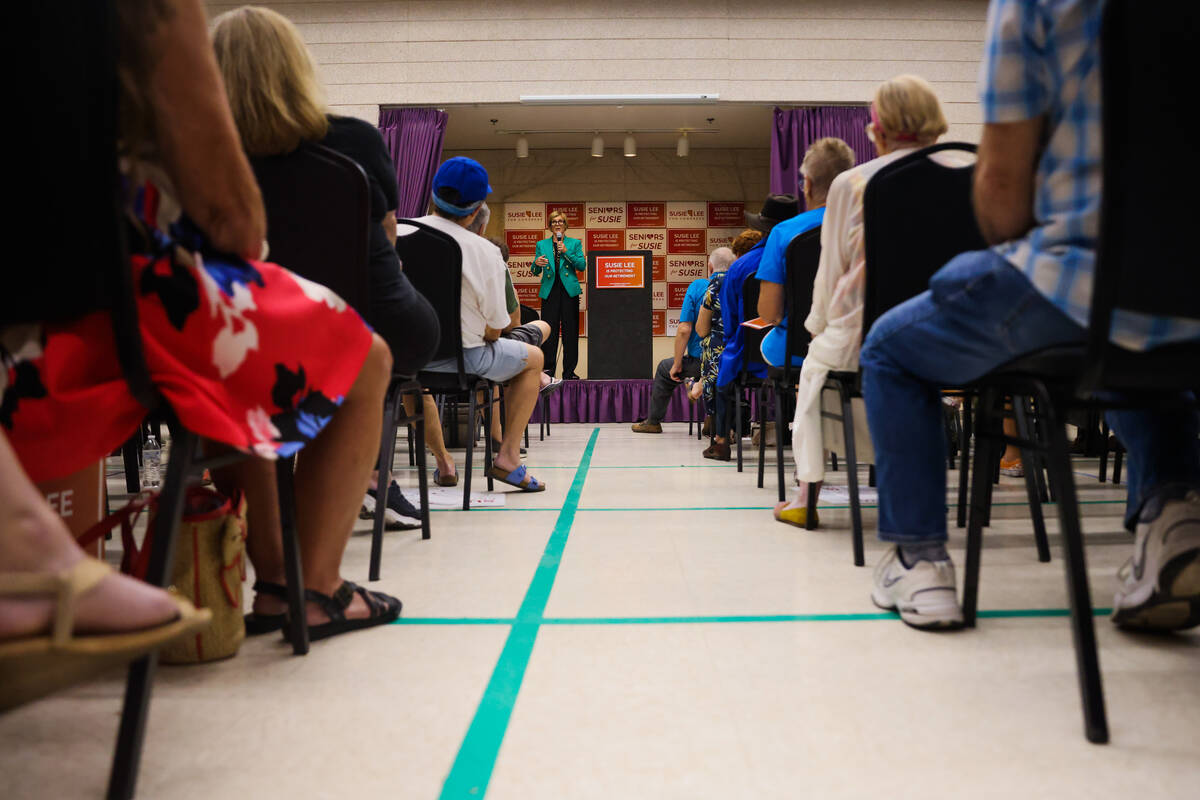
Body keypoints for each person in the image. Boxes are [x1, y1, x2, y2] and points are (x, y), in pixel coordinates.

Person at [3, 0, 401, 645]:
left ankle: (275, 578)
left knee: (240, 364)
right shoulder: (148, 11)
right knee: (365, 355)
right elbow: (233, 221)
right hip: (117, 309)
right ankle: (315, 587)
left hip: (28, 336)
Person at [859, 2, 1200, 631]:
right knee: (1141, 341)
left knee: (887, 347)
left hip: (1080, 284)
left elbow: (1005, 200)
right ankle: (1174, 514)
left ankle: (919, 560)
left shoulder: (1035, 6)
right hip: (1181, 306)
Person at [210, 5, 438, 532]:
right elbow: (386, 240)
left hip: (241, 335)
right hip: (373, 321)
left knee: (246, 379)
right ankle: (320, 557)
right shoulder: (356, 141)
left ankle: (272, 547)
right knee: (355, 363)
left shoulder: (201, 156)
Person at [771, 76, 958, 531]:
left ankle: (805, 494)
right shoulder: (964, 173)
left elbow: (830, 276)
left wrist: (815, 328)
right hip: (949, 342)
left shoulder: (854, 183)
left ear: (876, 130)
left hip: (866, 336)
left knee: (814, 371)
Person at [414, 158, 548, 492]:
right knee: (534, 359)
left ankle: (444, 463)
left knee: (411, 377)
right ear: (475, 212)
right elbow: (495, 328)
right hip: (467, 358)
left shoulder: (399, 231)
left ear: (431, 196)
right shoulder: (485, 251)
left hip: (408, 357)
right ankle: (507, 457)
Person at [707, 196, 801, 449]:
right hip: (802, 351)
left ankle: (721, 439)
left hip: (749, 355)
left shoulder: (740, 267)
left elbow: (730, 320)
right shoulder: (804, 260)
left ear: (761, 227)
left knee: (724, 374)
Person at [632, 247, 733, 434]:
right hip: (734, 361)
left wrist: (677, 364)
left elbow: (684, 329)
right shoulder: (739, 288)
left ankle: (653, 421)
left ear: (710, 268)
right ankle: (713, 417)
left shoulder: (698, 287)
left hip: (701, 361)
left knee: (665, 368)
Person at [531, 211, 586, 379]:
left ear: (565, 225)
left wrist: (566, 251)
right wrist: (536, 264)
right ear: (550, 225)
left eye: (560, 221)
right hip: (550, 291)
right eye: (554, 221)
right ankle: (548, 371)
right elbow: (534, 270)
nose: (557, 224)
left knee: (570, 332)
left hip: (569, 292)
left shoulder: (574, 243)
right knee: (549, 333)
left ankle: (569, 372)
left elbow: (582, 266)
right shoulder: (542, 244)